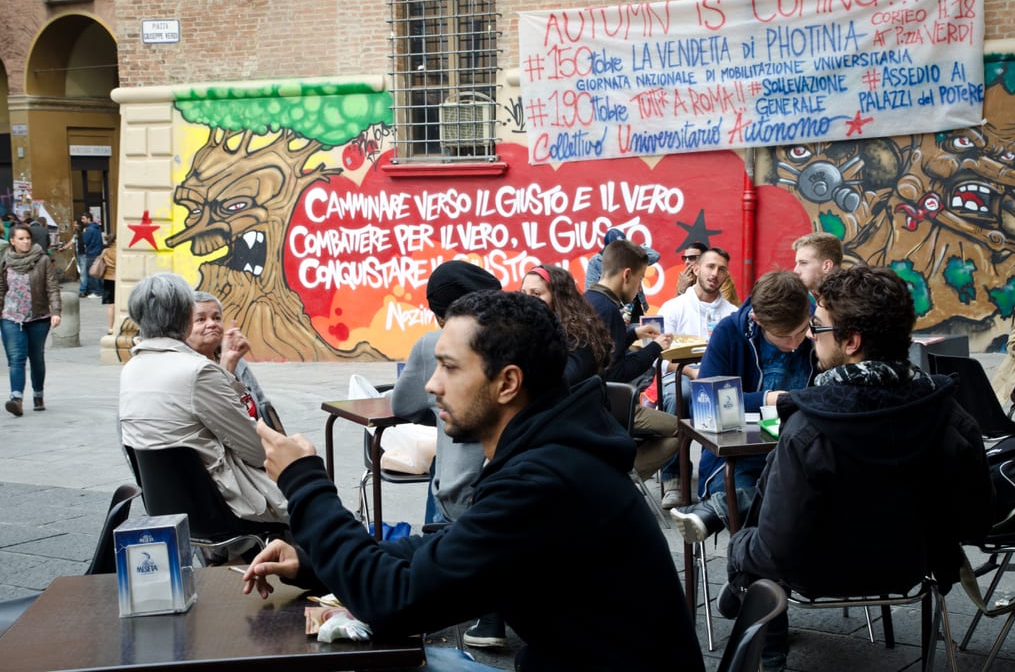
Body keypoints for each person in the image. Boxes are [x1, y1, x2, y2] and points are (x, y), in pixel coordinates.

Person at [243, 290, 704, 672]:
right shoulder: (546, 452)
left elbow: (395, 600)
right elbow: (445, 550)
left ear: (507, 384)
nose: (431, 384)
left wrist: (304, 481)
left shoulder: (546, 480)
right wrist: (314, 563)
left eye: (450, 367)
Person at [715, 266, 995, 671]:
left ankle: (746, 601)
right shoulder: (951, 416)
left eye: (819, 325)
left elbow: (776, 549)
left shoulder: (807, 431)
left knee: (749, 545)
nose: (811, 334)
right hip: (911, 567)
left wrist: (739, 547)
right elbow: (975, 521)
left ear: (851, 341)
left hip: (815, 573)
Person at [391, 261, 504, 648]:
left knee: (444, 468)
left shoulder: (433, 344)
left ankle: (438, 588)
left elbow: (403, 403)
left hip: (465, 492)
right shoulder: (518, 342)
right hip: (499, 484)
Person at [119, 273, 288, 525]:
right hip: (220, 505)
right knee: (311, 490)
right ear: (186, 316)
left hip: (164, 505)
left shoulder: (131, 369)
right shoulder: (197, 371)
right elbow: (255, 451)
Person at [672, 270, 815, 542]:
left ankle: (717, 512)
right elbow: (705, 405)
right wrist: (767, 400)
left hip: (799, 455)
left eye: (802, 332)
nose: (796, 344)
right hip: (738, 460)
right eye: (785, 337)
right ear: (757, 320)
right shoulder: (729, 332)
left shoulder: (817, 328)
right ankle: (760, 581)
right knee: (766, 521)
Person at [584, 239, 679, 480]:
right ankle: (618, 479)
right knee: (682, 430)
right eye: (640, 280)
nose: (639, 288)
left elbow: (603, 350)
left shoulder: (588, 300)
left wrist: (632, 334)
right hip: (608, 407)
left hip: (587, 405)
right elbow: (616, 373)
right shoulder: (609, 310)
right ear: (627, 275)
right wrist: (655, 348)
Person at [654, 247, 738, 508]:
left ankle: (714, 479)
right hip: (681, 375)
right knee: (681, 395)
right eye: (710, 266)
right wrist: (691, 371)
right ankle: (673, 478)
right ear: (696, 268)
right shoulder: (674, 307)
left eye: (721, 269)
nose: (715, 273)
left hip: (718, 379)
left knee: (729, 402)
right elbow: (658, 357)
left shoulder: (732, 313)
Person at [186, 290, 276, 428]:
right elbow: (216, 418)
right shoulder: (187, 368)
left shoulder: (235, 359)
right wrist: (227, 367)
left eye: (216, 318)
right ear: (184, 328)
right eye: (201, 319)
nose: (212, 324)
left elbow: (262, 402)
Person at [0, 224, 62, 416]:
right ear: (12, 241)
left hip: (38, 317)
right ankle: (16, 399)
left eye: (28, 238)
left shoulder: (42, 260)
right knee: (16, 359)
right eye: (21, 238)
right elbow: (1, 288)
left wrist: (56, 311)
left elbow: (52, 287)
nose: (26, 241)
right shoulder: (5, 260)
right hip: (10, 317)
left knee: (36, 358)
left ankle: (38, 394)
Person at [520, 264, 611, 386]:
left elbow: (562, 383)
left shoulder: (579, 338)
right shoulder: (528, 331)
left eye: (536, 294)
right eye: (523, 293)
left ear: (558, 298)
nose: (526, 299)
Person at [585, 228, 660, 323]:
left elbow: (655, 255)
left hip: (633, 304)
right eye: (616, 250)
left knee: (640, 332)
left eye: (622, 248)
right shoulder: (596, 261)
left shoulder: (632, 257)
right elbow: (590, 288)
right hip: (615, 306)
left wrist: (632, 249)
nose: (620, 253)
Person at [792, 231, 842, 296]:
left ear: (827, 266)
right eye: (797, 263)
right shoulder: (809, 299)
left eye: (803, 263)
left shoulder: (852, 301)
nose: (795, 271)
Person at [97, 235, 117, 334]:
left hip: (108, 278)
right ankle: (119, 325)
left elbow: (100, 261)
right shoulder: (120, 251)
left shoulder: (105, 251)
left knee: (110, 305)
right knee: (120, 304)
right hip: (119, 279)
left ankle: (110, 327)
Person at [82, 215, 104, 298]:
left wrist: (84, 233)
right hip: (98, 252)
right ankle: (100, 291)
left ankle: (95, 292)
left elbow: (85, 241)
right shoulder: (97, 228)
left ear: (89, 219)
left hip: (91, 253)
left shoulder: (88, 229)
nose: (82, 220)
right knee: (98, 272)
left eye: (83, 218)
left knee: (91, 273)